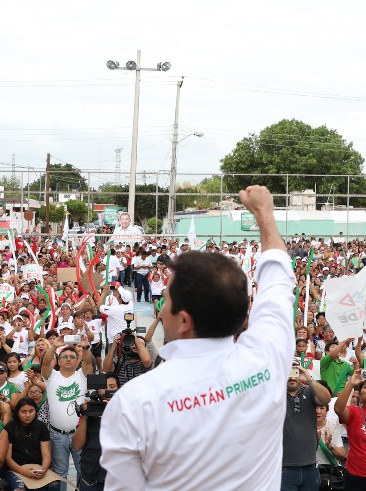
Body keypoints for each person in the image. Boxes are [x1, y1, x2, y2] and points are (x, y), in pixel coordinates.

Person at [100, 185, 295, 490]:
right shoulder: (267, 359)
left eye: (165, 301)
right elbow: (278, 283)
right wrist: (264, 215)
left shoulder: (136, 403)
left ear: (185, 320)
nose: (160, 311)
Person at [40, 337, 92, 491]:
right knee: (60, 473)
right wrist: (54, 346)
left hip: (79, 434)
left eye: (72, 357)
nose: (68, 359)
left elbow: (88, 363)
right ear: (58, 361)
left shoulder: (82, 375)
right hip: (57, 435)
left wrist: (86, 347)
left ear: (78, 361)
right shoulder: (51, 377)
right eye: (64, 357)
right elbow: (44, 363)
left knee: (83, 472)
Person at [282, 364, 333, 491]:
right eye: (287, 372)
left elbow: (326, 399)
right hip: (282, 468)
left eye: (295, 372)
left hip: (310, 467)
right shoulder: (275, 394)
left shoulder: (310, 391)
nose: (291, 377)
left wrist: (309, 379)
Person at [5, 398, 52, 490]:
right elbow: (8, 458)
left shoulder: (41, 427)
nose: (28, 415)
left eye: (31, 411)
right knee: (20, 487)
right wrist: (24, 471)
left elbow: (46, 454)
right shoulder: (10, 428)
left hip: (37, 467)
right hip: (16, 468)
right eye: (23, 412)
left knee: (54, 485)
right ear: (17, 413)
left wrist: (44, 469)